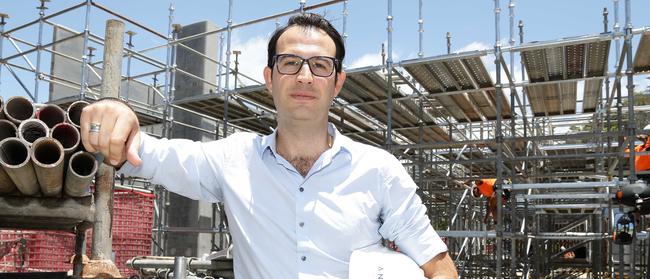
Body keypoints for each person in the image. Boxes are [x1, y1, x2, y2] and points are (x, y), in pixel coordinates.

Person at [80, 13, 457, 278]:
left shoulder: (378, 170)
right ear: (269, 78)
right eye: (290, 62)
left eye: (321, 65)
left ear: (338, 82)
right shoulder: (233, 159)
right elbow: (146, 153)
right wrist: (115, 113)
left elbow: (438, 266)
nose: (305, 76)